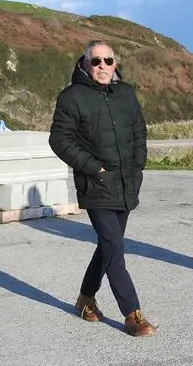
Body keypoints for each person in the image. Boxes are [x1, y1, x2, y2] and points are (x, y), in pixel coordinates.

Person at [48, 40, 156, 337]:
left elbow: (139, 129)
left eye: (108, 61)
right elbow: (59, 140)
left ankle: (85, 299)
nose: (103, 67)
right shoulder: (72, 97)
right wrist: (94, 167)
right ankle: (132, 314)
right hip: (96, 185)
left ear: (115, 64)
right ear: (85, 64)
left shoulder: (126, 93)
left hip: (126, 183)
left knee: (108, 245)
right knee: (114, 247)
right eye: (96, 61)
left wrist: (138, 164)